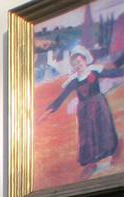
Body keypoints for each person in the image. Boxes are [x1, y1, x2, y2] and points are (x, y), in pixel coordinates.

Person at [38, 45, 124, 174]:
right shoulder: (74, 81)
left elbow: (113, 73)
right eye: (74, 64)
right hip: (85, 112)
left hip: (99, 106)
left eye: (79, 62)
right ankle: (92, 161)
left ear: (84, 60)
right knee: (88, 135)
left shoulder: (94, 72)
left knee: (104, 129)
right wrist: (46, 112)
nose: (77, 65)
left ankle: (112, 153)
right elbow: (60, 99)